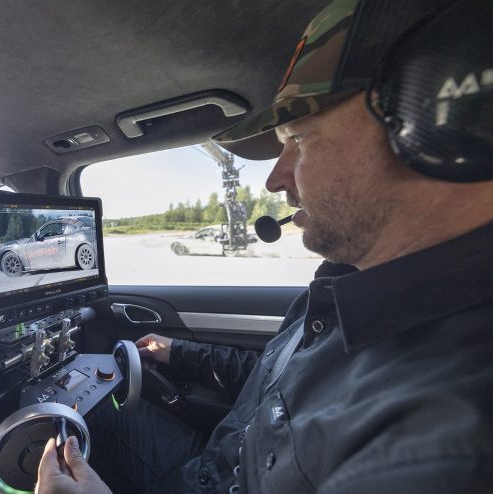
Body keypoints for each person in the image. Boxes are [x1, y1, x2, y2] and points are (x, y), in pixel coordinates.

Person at [36, 0, 493, 492]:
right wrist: (177, 352)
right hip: (214, 467)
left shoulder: (442, 450)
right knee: (82, 409)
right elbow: (277, 376)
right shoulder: (343, 284)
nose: (275, 178)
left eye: (299, 139)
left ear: (438, 123)